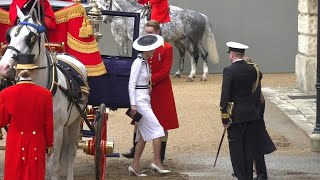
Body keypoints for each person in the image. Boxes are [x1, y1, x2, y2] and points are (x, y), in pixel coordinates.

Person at [123, 20, 179, 163]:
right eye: (146, 32)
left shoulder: (167, 48)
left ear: (158, 32)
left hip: (160, 89)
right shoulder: (143, 45)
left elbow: (165, 71)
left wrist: (149, 80)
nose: (147, 35)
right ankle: (134, 150)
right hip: (145, 90)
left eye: (150, 33)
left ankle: (160, 156)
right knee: (139, 120)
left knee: (163, 123)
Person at [0, 53, 54, 180]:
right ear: (33, 72)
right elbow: (48, 123)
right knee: (35, 174)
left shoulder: (6, 94)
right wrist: (49, 144)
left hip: (15, 142)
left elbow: (1, 120)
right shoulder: (45, 95)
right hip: (37, 142)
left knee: (15, 173)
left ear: (17, 71)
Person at [128, 34, 170, 176]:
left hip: (144, 99)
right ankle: (157, 162)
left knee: (142, 136)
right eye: (151, 49)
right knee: (158, 130)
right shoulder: (139, 63)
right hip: (140, 103)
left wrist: (148, 88)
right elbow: (131, 84)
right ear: (145, 50)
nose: (154, 51)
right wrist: (133, 105)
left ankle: (134, 165)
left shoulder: (144, 62)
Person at [220, 42, 263, 180]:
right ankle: (249, 176)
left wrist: (225, 119)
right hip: (251, 114)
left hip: (235, 116)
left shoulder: (229, 71)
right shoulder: (253, 70)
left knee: (237, 148)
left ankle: (241, 176)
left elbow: (225, 98)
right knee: (248, 148)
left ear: (231, 55)